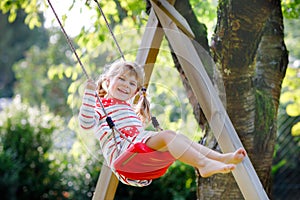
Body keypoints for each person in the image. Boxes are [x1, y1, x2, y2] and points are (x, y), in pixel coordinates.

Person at [78, 59, 247, 187]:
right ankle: (202, 164)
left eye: (132, 84)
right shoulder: (101, 107)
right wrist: (89, 95)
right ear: (107, 82)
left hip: (139, 153)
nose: (125, 85)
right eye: (121, 79)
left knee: (176, 137)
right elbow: (85, 124)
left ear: (135, 92)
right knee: (168, 136)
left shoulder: (129, 109)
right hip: (125, 158)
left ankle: (220, 157)